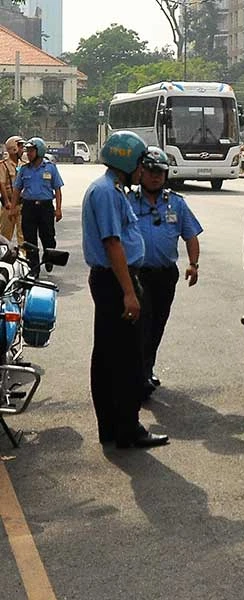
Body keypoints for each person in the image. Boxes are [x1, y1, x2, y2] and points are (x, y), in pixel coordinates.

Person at [81, 131, 169, 449]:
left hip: (113, 280)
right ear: (128, 160)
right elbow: (113, 244)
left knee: (109, 355)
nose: (143, 171)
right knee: (127, 358)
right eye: (141, 164)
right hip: (116, 281)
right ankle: (128, 429)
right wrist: (129, 292)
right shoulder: (107, 192)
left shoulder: (112, 189)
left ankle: (113, 428)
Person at [131, 146, 202, 396]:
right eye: (151, 171)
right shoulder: (128, 201)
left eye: (160, 172)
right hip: (138, 275)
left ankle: (147, 368)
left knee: (157, 323)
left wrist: (193, 264)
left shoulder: (176, 203)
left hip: (165, 274)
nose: (155, 176)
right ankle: (139, 375)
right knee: (143, 323)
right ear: (141, 172)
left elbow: (190, 236)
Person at [12, 138, 63, 266]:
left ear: (39, 151)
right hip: (29, 207)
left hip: (45, 207)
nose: (28, 154)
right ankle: (33, 266)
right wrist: (13, 208)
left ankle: (48, 259)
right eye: (27, 151)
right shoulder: (24, 169)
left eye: (31, 151)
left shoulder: (50, 168)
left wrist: (58, 209)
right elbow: (17, 190)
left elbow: (57, 190)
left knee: (48, 236)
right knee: (29, 238)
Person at [0, 136, 25, 245]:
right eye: (20, 147)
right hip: (9, 204)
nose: (22, 150)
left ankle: (23, 254)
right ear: (14, 148)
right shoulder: (4, 165)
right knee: (5, 235)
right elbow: (1, 183)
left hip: (22, 203)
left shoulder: (23, 164)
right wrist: (7, 202)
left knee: (23, 235)